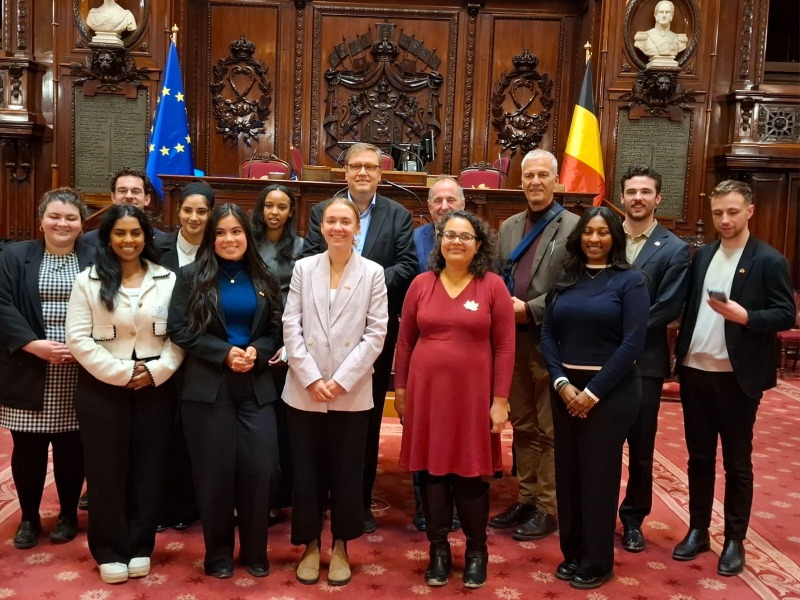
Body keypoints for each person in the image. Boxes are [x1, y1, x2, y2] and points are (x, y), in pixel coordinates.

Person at [672, 180, 795, 576]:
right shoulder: (703, 255)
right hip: (695, 372)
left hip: (737, 378)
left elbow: (784, 315)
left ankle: (734, 539)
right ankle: (698, 530)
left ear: (750, 211)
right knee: (699, 459)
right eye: (719, 212)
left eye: (733, 212)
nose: (725, 220)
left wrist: (746, 317)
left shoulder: (768, 259)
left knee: (737, 464)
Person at [394, 210, 515, 589]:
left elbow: (506, 346)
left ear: (479, 245)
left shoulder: (493, 285)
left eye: (465, 236)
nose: (456, 242)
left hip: (474, 396)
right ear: (439, 241)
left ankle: (477, 551)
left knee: (470, 472)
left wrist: (500, 400)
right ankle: (439, 550)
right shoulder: (420, 284)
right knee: (431, 473)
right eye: (449, 235)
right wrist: (400, 391)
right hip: (426, 395)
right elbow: (405, 341)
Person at [65, 204, 184, 584]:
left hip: (155, 386)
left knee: (149, 469)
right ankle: (110, 548)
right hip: (103, 388)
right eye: (120, 233)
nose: (128, 240)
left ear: (146, 237)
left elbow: (180, 335)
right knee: (106, 470)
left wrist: (155, 371)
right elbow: (78, 338)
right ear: (108, 238)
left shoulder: (168, 278)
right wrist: (120, 373)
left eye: (135, 233)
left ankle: (139, 544)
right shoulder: (88, 280)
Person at [301, 142, 416, 533]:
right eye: (355, 166)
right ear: (345, 172)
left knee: (362, 423)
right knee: (320, 417)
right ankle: (323, 496)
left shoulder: (398, 215)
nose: (363, 172)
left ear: (381, 174)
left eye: (370, 167)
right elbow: (310, 264)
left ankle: (359, 501)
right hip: (323, 333)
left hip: (371, 335)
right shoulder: (323, 211)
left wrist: (365, 283)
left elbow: (408, 264)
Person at [167, 203, 282, 579]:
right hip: (207, 388)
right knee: (214, 474)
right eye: (221, 233)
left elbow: (277, 330)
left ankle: (255, 551)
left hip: (255, 386)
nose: (229, 239)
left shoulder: (264, 277)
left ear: (248, 236)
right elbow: (180, 329)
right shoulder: (190, 277)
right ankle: (217, 553)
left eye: (236, 232)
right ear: (211, 238)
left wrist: (256, 352)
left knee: (260, 469)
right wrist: (224, 354)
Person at [541, 206, 649, 590]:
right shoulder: (566, 277)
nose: (594, 239)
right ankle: (573, 554)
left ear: (615, 237)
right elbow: (548, 335)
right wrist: (559, 382)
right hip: (564, 390)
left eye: (603, 232)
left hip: (611, 393)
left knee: (598, 476)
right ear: (579, 235)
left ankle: (598, 560)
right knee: (568, 474)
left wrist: (592, 392)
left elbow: (633, 342)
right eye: (589, 231)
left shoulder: (630, 280)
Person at [283, 197, 388, 587]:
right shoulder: (303, 268)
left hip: (352, 390)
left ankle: (342, 544)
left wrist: (341, 380)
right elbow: (290, 324)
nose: (339, 227)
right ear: (322, 227)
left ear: (356, 228)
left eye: (346, 221)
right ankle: (310, 544)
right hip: (305, 389)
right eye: (332, 221)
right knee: (306, 471)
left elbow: (376, 332)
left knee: (347, 472)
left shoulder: (373, 273)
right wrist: (310, 377)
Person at [490, 149, 579, 541]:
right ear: (520, 180)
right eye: (529, 176)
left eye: (543, 175)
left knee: (548, 428)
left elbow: (576, 286)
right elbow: (495, 277)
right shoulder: (509, 226)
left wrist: (531, 309)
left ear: (556, 180)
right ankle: (526, 497)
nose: (535, 182)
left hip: (550, 340)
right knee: (522, 423)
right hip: (512, 341)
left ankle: (548, 506)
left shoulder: (575, 227)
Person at [0, 188, 94, 550]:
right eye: (55, 216)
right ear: (41, 219)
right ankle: (28, 517)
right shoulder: (14, 256)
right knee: (29, 449)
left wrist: (85, 346)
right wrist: (32, 344)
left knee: (73, 448)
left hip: (79, 369)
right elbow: (3, 304)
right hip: (29, 366)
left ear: (81, 224)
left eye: (71, 218)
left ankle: (69, 514)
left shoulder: (93, 257)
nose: (62, 223)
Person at [617, 165, 690, 552]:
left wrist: (618, 332)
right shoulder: (605, 237)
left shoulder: (675, 249)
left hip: (643, 363)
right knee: (602, 445)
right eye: (632, 191)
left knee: (641, 448)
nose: (638, 198)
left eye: (646, 192)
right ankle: (595, 511)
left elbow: (668, 307)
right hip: (599, 363)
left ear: (658, 198)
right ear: (623, 196)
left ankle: (632, 519)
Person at [154, 182, 216, 532]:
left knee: (195, 433)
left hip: (201, 354)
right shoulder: (156, 248)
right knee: (164, 432)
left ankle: (190, 504)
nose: (194, 217)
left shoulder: (219, 247)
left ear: (210, 214)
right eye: (188, 210)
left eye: (202, 211)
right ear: (178, 212)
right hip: (161, 351)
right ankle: (162, 504)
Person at [409, 175, 466, 531]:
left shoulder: (474, 237)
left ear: (463, 204)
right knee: (424, 430)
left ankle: (459, 501)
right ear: (428, 207)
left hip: (465, 351)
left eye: (451, 200)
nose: (444, 207)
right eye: (437, 201)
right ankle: (424, 503)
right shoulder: (416, 238)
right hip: (425, 347)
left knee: (460, 429)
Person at [251, 183, 304, 521]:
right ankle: (260, 494)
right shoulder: (247, 243)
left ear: (290, 212)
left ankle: (286, 494)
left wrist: (289, 343)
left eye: (281, 207)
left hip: (290, 340)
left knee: (287, 425)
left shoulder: (300, 247)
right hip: (256, 337)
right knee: (261, 423)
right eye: (269, 205)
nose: (274, 212)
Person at [83, 168, 164, 247]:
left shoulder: (163, 241)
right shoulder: (89, 241)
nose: (129, 196)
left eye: (135, 191)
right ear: (113, 197)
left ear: (147, 199)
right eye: (122, 191)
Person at [633, 0, 688, 68]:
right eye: (661, 12)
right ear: (655, 15)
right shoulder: (644, 38)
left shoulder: (679, 40)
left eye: (667, 12)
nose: (664, 15)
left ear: (672, 15)